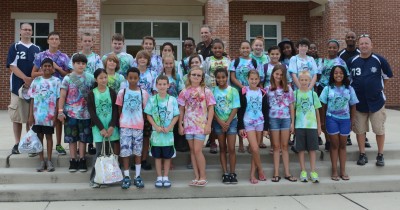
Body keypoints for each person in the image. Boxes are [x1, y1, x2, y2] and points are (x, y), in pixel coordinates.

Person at [347, 34, 393, 167]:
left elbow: (387, 76)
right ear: (358, 46)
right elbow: (348, 79)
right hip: (358, 103)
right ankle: (362, 154)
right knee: (360, 130)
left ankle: (380, 154)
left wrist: (379, 89)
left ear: (371, 45)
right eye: (361, 44)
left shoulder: (379, 60)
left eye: (366, 43)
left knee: (379, 129)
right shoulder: (352, 61)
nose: (364, 46)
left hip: (376, 102)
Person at [32, 31, 70, 156]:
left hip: (59, 90)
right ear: (48, 41)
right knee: (39, 119)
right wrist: (47, 72)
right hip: (44, 93)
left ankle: (58, 144)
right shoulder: (40, 56)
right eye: (52, 39)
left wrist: (58, 68)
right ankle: (36, 146)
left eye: (56, 39)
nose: (54, 41)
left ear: (59, 41)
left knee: (58, 118)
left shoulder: (64, 57)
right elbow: (33, 73)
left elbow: (68, 74)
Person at [178, 66, 216, 187]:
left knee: (198, 150)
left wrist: (209, 124)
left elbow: (211, 109)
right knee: (193, 152)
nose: (196, 77)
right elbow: (181, 109)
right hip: (188, 125)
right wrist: (180, 125)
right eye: (193, 74)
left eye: (198, 75)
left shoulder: (206, 91)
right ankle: (196, 176)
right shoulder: (184, 92)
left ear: (202, 78)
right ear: (189, 76)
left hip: (201, 125)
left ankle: (203, 176)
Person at [319, 65, 358, 181]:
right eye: (336, 73)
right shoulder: (328, 88)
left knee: (343, 145)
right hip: (332, 119)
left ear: (344, 75)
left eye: (341, 73)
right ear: (332, 75)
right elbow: (322, 105)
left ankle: (343, 171)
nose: (338, 75)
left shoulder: (349, 89)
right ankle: (334, 170)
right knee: (334, 144)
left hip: (345, 120)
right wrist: (322, 121)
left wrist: (352, 121)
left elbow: (353, 105)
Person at [7, 23, 41, 154]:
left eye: (29, 30)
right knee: (17, 117)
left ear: (31, 32)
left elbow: (38, 68)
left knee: (30, 117)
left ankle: (30, 142)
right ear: (20, 31)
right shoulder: (14, 47)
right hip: (17, 87)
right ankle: (17, 143)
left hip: (33, 88)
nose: (27, 31)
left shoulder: (37, 48)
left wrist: (31, 80)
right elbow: (12, 66)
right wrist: (25, 78)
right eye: (25, 29)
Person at [58, 54, 94, 173]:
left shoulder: (90, 78)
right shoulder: (67, 78)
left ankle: (82, 159)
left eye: (83, 63)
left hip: (86, 114)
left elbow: (93, 95)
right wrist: (60, 111)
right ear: (73, 64)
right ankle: (73, 160)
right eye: (78, 63)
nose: (80, 65)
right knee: (72, 138)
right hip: (70, 114)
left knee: (83, 139)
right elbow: (62, 96)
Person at [69, 32, 104, 155]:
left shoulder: (97, 58)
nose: (87, 43)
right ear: (81, 41)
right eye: (85, 40)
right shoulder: (75, 56)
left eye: (90, 41)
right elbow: (71, 73)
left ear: (93, 42)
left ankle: (90, 144)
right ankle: (79, 148)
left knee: (90, 119)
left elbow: (99, 73)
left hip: (91, 90)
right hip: (76, 93)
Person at [116, 67, 149, 189]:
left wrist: (141, 121)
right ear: (127, 78)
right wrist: (122, 120)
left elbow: (145, 110)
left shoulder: (143, 93)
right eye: (130, 78)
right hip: (125, 126)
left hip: (138, 126)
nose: (133, 80)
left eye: (135, 78)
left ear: (139, 78)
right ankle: (126, 176)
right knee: (125, 151)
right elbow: (119, 109)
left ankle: (138, 176)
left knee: (137, 151)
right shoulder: (122, 92)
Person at [145, 75, 180, 188]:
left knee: (167, 156)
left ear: (168, 85)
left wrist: (170, 127)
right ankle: (159, 177)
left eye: (164, 84)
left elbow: (176, 115)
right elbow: (148, 115)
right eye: (160, 84)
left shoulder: (172, 99)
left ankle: (166, 177)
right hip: (156, 134)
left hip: (168, 134)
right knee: (157, 157)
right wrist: (155, 126)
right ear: (156, 86)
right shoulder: (152, 99)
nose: (162, 86)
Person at [87, 68, 120, 188]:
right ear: (96, 79)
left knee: (110, 154)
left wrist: (111, 126)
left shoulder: (112, 92)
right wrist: (101, 128)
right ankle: (94, 179)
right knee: (99, 154)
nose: (103, 80)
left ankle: (109, 178)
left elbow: (116, 111)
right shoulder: (92, 93)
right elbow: (92, 113)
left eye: (105, 77)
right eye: (101, 78)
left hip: (111, 128)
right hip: (98, 129)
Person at [28, 58, 61, 172]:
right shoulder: (36, 81)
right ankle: (41, 160)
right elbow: (32, 99)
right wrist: (30, 115)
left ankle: (49, 160)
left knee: (49, 137)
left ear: (52, 68)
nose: (47, 68)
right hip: (38, 115)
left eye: (49, 66)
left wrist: (56, 115)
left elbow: (58, 99)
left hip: (50, 115)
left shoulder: (56, 81)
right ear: (41, 68)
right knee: (39, 137)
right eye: (45, 66)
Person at [265, 64, 297, 182]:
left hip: (285, 119)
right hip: (273, 119)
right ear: (273, 74)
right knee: (276, 146)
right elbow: (266, 107)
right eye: (276, 74)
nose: (278, 76)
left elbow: (291, 106)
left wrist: (293, 122)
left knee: (284, 146)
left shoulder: (288, 89)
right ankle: (276, 173)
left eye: (281, 74)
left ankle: (287, 173)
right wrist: (266, 125)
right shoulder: (268, 89)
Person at [237, 70, 269, 184]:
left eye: (256, 79)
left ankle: (252, 175)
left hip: (260, 122)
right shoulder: (244, 91)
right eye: (251, 79)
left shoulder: (263, 92)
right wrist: (240, 126)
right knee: (254, 148)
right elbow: (240, 110)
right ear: (248, 79)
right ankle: (260, 170)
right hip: (248, 122)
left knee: (256, 150)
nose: (254, 81)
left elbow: (265, 110)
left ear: (259, 80)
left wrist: (266, 128)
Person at [230, 40, 262, 153]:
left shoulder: (254, 61)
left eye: (247, 48)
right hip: (239, 92)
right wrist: (242, 86)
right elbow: (232, 77)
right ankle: (241, 143)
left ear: (250, 49)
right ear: (239, 49)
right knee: (241, 114)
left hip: (252, 92)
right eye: (243, 48)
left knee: (251, 114)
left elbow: (258, 77)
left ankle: (251, 142)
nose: (245, 50)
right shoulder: (235, 61)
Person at [317, 40, 348, 151]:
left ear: (338, 48)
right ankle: (328, 141)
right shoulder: (322, 61)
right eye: (330, 47)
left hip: (337, 90)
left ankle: (336, 139)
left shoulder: (341, 62)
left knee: (333, 115)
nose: (332, 49)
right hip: (323, 89)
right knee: (324, 116)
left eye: (334, 47)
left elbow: (346, 76)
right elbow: (318, 76)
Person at [212, 67, 240, 184]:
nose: (221, 79)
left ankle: (233, 172)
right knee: (222, 148)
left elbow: (235, 107)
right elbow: (211, 109)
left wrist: (228, 122)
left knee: (232, 148)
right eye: (218, 77)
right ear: (216, 79)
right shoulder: (213, 91)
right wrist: (220, 121)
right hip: (218, 122)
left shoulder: (233, 90)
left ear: (227, 77)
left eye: (223, 77)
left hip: (231, 122)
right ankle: (225, 173)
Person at [203, 39, 231, 154]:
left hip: (223, 92)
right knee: (212, 116)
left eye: (220, 48)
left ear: (223, 49)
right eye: (215, 48)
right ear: (212, 49)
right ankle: (212, 141)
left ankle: (224, 142)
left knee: (222, 114)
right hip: (211, 91)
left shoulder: (227, 60)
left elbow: (229, 76)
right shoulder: (208, 60)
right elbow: (204, 74)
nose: (217, 50)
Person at [293, 71, 322, 183]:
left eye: (306, 80)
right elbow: (294, 110)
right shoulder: (295, 94)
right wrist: (293, 124)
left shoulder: (313, 94)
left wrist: (319, 126)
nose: (304, 82)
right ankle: (303, 170)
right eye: (302, 80)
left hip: (312, 126)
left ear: (310, 81)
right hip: (300, 125)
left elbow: (317, 111)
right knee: (300, 149)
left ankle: (313, 171)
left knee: (312, 149)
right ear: (298, 81)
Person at [338, 31, 364, 147]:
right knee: (345, 112)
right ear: (345, 39)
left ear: (355, 39)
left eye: (352, 37)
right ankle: (347, 136)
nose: (350, 39)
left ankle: (364, 136)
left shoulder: (360, 53)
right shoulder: (341, 54)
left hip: (358, 88)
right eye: (348, 37)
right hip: (344, 88)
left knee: (361, 113)